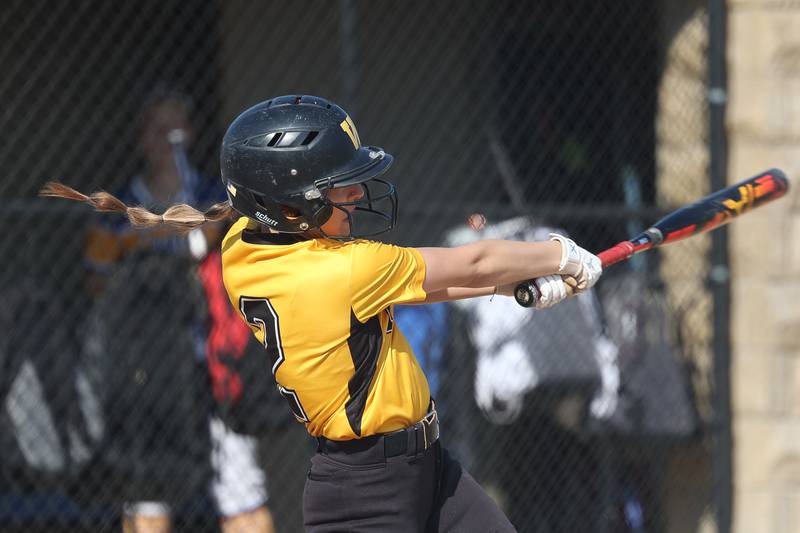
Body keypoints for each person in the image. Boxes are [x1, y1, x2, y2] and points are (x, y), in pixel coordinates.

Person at [40, 94, 603, 532]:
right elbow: (474, 262)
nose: (356, 197)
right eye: (337, 189)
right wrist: (563, 254)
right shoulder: (341, 270)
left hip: (429, 470)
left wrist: (512, 290)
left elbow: (429, 289)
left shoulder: (244, 248)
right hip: (364, 491)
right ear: (287, 208)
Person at [80, 88, 277, 533]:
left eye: (175, 130)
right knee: (147, 493)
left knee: (241, 488)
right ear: (140, 138)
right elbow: (94, 280)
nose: (167, 142)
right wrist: (148, 253)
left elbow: (229, 246)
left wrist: (196, 236)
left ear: (189, 134)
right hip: (147, 364)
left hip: (209, 358)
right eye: (156, 130)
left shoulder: (212, 194)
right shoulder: (119, 206)